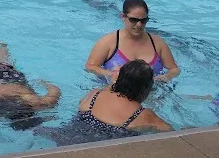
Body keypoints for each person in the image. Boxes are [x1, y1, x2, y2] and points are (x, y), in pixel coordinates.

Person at [37, 60, 172, 144]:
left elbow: (80, 104)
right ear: (146, 88)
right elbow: (172, 135)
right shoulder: (144, 115)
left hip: (65, 138)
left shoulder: (95, 94)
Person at [85, 0, 180, 82]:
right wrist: (111, 74)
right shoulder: (108, 42)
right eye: (134, 20)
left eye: (143, 20)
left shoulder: (158, 43)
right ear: (123, 17)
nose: (139, 25)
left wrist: (167, 76)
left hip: (154, 97)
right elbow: (90, 66)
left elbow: (174, 69)